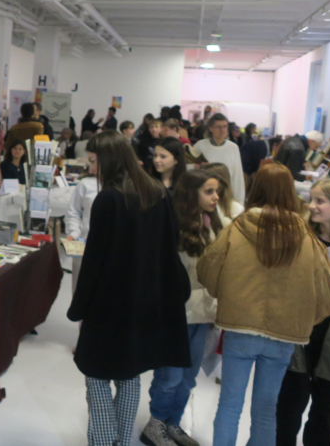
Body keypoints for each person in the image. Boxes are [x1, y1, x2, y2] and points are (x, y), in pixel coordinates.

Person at [198, 163, 330, 446]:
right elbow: (328, 291)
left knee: (229, 404)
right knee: (266, 410)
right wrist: (305, 318)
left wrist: (226, 295)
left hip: (239, 325)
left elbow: (207, 270)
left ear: (256, 188)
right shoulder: (306, 237)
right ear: (289, 192)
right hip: (284, 334)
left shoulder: (238, 227)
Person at [67, 130, 190, 446]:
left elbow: (94, 259)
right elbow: (170, 248)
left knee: (96, 374)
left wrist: (79, 306)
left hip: (108, 303)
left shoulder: (109, 198)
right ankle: (121, 439)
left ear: (108, 159)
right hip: (146, 302)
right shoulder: (157, 192)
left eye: (93, 161)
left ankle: (104, 440)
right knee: (129, 373)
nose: (91, 168)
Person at [141, 169, 226, 446]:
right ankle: (155, 425)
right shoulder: (171, 225)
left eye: (216, 191)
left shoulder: (216, 224)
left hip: (204, 313)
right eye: (209, 191)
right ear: (191, 194)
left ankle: (172, 423)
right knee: (169, 376)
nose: (216, 197)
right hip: (174, 313)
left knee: (188, 377)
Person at [276, 178, 330, 446]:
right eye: (311, 199)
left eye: (320, 201)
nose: (312, 206)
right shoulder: (301, 238)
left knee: (326, 410)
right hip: (299, 333)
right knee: (289, 404)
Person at [190, 113, 246, 204]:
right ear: (210, 128)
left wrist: (239, 202)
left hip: (225, 195)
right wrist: (197, 166)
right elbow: (188, 168)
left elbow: (237, 176)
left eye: (224, 126)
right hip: (205, 195)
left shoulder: (233, 148)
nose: (222, 130)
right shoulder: (200, 146)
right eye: (218, 127)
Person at [65, 147, 99, 294]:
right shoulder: (86, 184)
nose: (90, 168)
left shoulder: (125, 186)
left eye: (93, 162)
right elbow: (73, 212)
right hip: (84, 243)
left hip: (111, 249)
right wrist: (74, 232)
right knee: (81, 290)